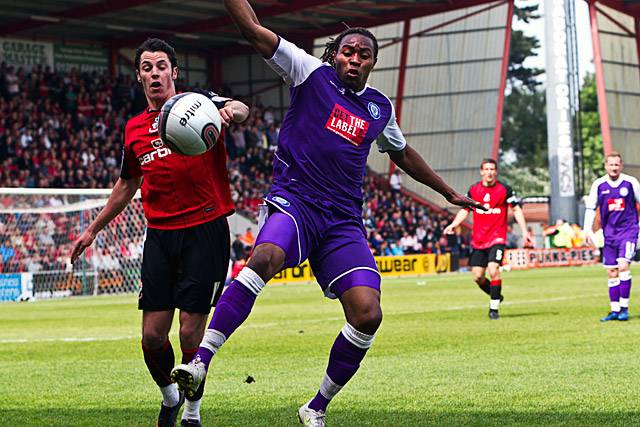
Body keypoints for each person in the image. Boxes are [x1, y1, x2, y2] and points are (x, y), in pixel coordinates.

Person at [170, 2, 483, 426]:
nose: (354, 59)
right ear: (335, 54)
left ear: (373, 62)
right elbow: (251, 28)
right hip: (296, 202)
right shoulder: (307, 72)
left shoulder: (379, 108)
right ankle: (201, 361)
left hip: (342, 222)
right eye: (348, 51)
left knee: (368, 313)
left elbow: (402, 153)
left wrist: (447, 192)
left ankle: (315, 407)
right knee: (263, 259)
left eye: (363, 54)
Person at [70, 38, 249, 427]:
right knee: (152, 337)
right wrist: (92, 231)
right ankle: (170, 397)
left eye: (161, 66)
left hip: (205, 231)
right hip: (160, 236)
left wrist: (230, 113)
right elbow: (126, 185)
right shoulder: (133, 129)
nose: (155, 73)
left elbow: (241, 107)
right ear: (139, 76)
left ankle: (192, 412)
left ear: (174, 72)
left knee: (189, 334)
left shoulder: (199, 105)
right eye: (147, 67)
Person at [444, 159, 532, 320]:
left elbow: (517, 210)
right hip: (478, 240)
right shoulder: (474, 190)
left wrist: (525, 231)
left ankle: (494, 309)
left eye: (492, 169)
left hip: (497, 238)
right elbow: (465, 210)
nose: (490, 172)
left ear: (496, 172)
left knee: (493, 270)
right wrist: (453, 224)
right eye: (487, 169)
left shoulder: (504, 189)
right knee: (477, 276)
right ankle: (495, 294)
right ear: (481, 171)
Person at [583, 152, 640, 322]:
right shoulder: (599, 185)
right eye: (611, 165)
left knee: (623, 266)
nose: (614, 168)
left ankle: (624, 309)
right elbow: (591, 208)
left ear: (621, 166)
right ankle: (614, 310)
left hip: (628, 231)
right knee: (612, 271)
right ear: (606, 166)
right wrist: (587, 230)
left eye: (617, 165)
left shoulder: (630, 183)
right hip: (609, 234)